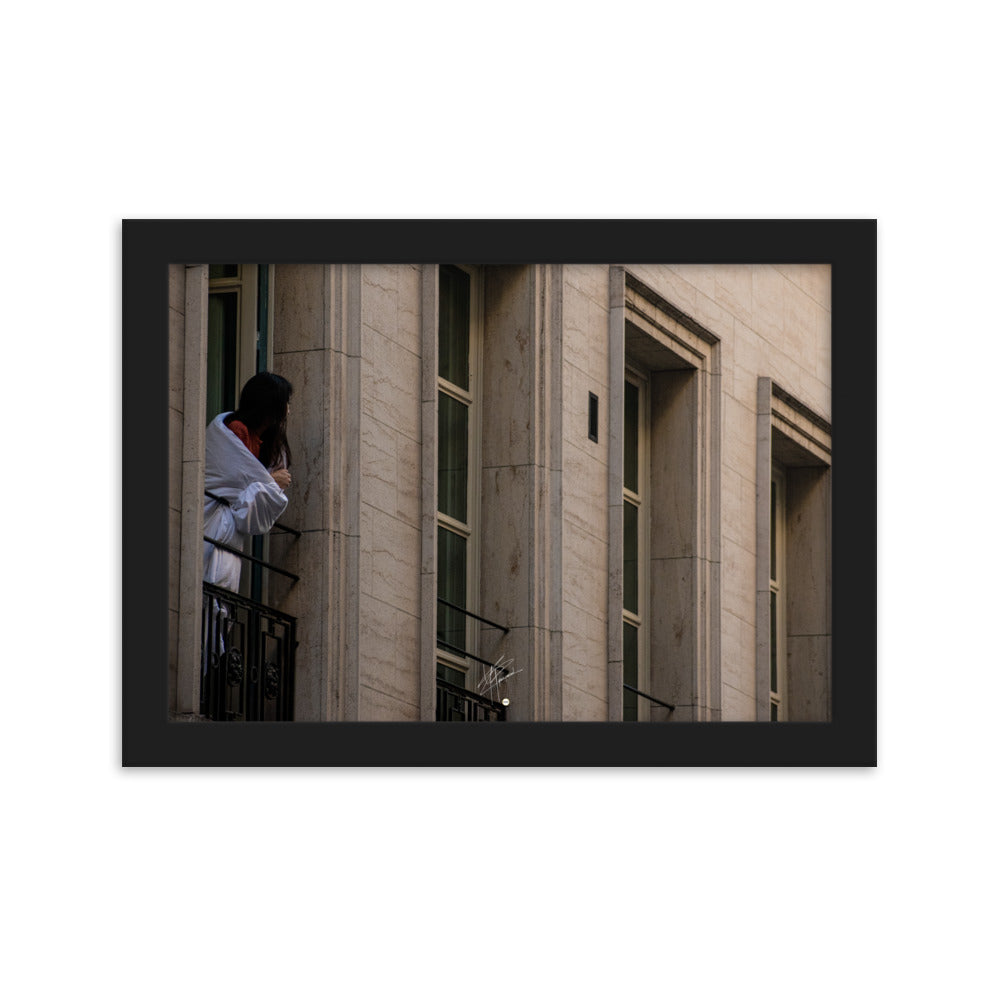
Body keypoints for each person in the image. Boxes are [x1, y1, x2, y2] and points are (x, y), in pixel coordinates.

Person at [203, 372, 294, 591]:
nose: (288, 409)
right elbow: (234, 479)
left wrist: (267, 483)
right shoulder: (238, 430)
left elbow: (248, 483)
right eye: (285, 402)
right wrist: (271, 482)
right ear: (270, 404)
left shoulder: (262, 440)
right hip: (215, 522)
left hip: (230, 531)